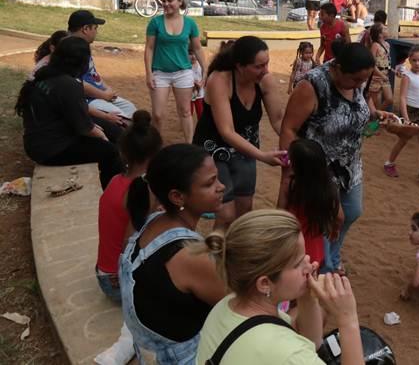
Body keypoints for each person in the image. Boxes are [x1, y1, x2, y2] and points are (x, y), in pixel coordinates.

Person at [195, 210, 364, 365]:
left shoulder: (228, 304)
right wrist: (348, 320)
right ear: (265, 283)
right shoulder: (289, 354)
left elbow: (311, 341)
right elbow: (293, 350)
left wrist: (306, 296)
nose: (309, 264)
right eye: (298, 263)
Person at [280, 42, 386, 275]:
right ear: (338, 68)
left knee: (351, 211)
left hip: (350, 165)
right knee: (323, 219)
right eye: (356, 80)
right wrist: (290, 170)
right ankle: (325, 266)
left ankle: (331, 256)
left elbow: (360, 106)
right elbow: (288, 129)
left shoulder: (358, 78)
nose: (360, 85)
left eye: (363, 81)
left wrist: (376, 115)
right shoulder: (313, 85)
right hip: (319, 170)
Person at [120, 144, 227, 364]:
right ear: (177, 196)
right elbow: (239, 308)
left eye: (217, 179)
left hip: (150, 351)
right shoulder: (191, 256)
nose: (221, 187)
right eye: (210, 183)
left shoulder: (150, 220)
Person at [192, 36, 286, 230]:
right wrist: (262, 156)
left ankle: (234, 255)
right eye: (258, 66)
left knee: (244, 213)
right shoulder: (219, 79)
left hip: (245, 151)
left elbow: (279, 120)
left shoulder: (264, 81)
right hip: (214, 150)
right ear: (239, 66)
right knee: (226, 214)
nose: (266, 70)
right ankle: (216, 255)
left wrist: (297, 145)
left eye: (267, 64)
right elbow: (226, 131)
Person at [15, 36, 123, 188]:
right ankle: (110, 191)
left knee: (113, 130)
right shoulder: (68, 85)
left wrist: (99, 124)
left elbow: (76, 113)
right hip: (50, 149)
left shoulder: (47, 73)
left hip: (44, 138)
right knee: (109, 151)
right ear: (81, 62)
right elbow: (85, 128)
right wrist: (101, 136)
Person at [96, 110, 162, 302]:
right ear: (157, 154)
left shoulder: (115, 180)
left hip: (104, 272)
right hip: (118, 281)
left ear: (123, 152)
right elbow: (129, 242)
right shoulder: (144, 190)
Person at [29, 29, 126, 142]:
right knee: (113, 141)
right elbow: (83, 122)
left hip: (46, 129)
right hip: (51, 139)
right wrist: (100, 131)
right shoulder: (67, 83)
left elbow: (77, 108)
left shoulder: (54, 72)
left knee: (114, 130)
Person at [144, 0, 207, 143]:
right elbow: (149, 48)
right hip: (160, 72)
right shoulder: (155, 23)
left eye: (170, 0)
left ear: (180, 2)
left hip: (183, 72)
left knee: (185, 111)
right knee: (157, 114)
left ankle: (190, 145)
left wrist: (206, 69)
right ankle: (155, 146)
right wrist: (149, 73)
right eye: (163, 0)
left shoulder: (190, 24)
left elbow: (198, 48)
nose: (166, 4)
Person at [383, 45, 419, 185]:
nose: (417, 63)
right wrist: (406, 119)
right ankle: (389, 163)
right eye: (414, 60)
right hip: (408, 111)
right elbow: (402, 97)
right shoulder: (407, 76)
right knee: (403, 140)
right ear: (409, 60)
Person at [68, 10, 137, 120]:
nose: (97, 32)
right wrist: (103, 95)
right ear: (85, 29)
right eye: (95, 28)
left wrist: (106, 89)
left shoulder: (82, 46)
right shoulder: (70, 50)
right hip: (87, 99)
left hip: (98, 94)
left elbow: (93, 74)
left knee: (131, 110)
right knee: (122, 119)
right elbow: (76, 83)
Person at [285, 139, 340, 266]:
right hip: (314, 246)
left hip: (293, 242)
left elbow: (280, 212)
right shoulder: (328, 188)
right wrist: (335, 230)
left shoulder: (291, 185)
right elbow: (340, 216)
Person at [368, 23, 393, 110]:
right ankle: (375, 119)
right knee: (376, 103)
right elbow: (371, 64)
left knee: (389, 99)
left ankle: (377, 116)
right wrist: (381, 75)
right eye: (385, 29)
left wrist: (393, 70)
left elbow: (386, 63)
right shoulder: (375, 45)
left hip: (385, 76)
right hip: (376, 77)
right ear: (380, 34)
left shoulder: (387, 45)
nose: (387, 30)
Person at [190, 49, 205, 119]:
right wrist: (194, 83)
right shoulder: (186, 67)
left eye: (194, 54)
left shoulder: (201, 66)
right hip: (189, 95)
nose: (193, 56)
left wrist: (200, 84)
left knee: (201, 113)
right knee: (189, 113)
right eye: (190, 54)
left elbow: (205, 77)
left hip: (200, 94)